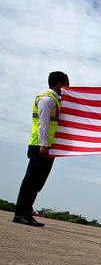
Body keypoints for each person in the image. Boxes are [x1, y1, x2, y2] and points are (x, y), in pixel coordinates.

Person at [14, 71, 70, 227]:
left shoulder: (56, 100)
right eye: (67, 84)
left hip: (48, 147)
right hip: (40, 146)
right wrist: (43, 145)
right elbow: (43, 124)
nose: (68, 87)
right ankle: (20, 213)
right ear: (59, 83)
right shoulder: (47, 99)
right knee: (31, 181)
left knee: (37, 182)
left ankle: (26, 212)